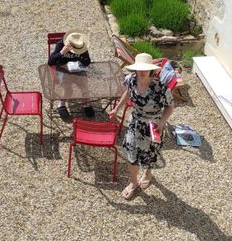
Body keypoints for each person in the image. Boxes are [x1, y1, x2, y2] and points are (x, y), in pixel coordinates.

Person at [108, 52, 174, 200]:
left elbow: (170, 107)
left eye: (145, 69)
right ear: (135, 69)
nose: (142, 72)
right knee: (132, 155)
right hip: (135, 123)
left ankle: (148, 173)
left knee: (150, 154)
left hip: (154, 127)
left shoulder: (161, 88)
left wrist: (162, 123)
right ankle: (133, 182)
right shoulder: (131, 80)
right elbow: (128, 92)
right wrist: (117, 109)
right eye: (139, 69)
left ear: (151, 70)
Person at [48, 30, 94, 122]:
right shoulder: (61, 44)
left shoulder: (82, 46)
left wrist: (81, 57)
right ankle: (61, 104)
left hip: (77, 68)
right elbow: (50, 62)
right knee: (68, 88)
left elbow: (87, 61)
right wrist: (62, 52)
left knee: (84, 84)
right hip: (63, 68)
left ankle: (86, 104)